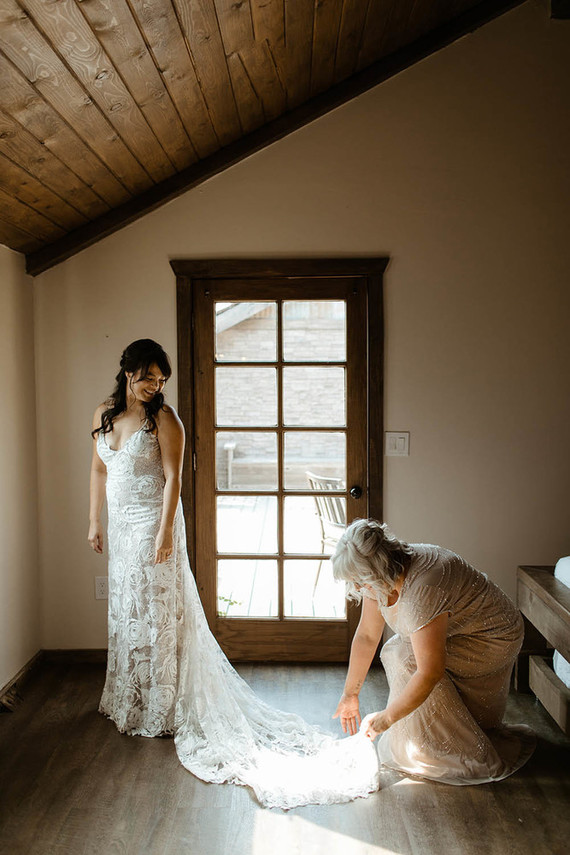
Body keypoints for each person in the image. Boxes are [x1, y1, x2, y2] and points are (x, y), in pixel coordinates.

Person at [88, 339, 379, 809]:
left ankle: (161, 708)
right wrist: (93, 522)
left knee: (159, 617)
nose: (155, 387)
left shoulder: (164, 420)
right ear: (128, 372)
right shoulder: (103, 413)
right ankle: (130, 699)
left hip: (152, 527)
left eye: (161, 380)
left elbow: (174, 482)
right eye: (148, 378)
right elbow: (98, 473)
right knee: (127, 613)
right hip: (120, 531)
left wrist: (165, 534)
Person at [332, 519, 535, 784]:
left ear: (375, 572)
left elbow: (429, 672)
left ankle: (445, 754)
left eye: (359, 582)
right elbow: (368, 636)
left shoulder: (423, 589)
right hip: (460, 631)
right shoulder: (382, 577)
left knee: (404, 657)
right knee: (399, 653)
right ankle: (429, 743)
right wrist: (350, 694)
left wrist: (387, 718)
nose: (357, 589)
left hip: (492, 637)